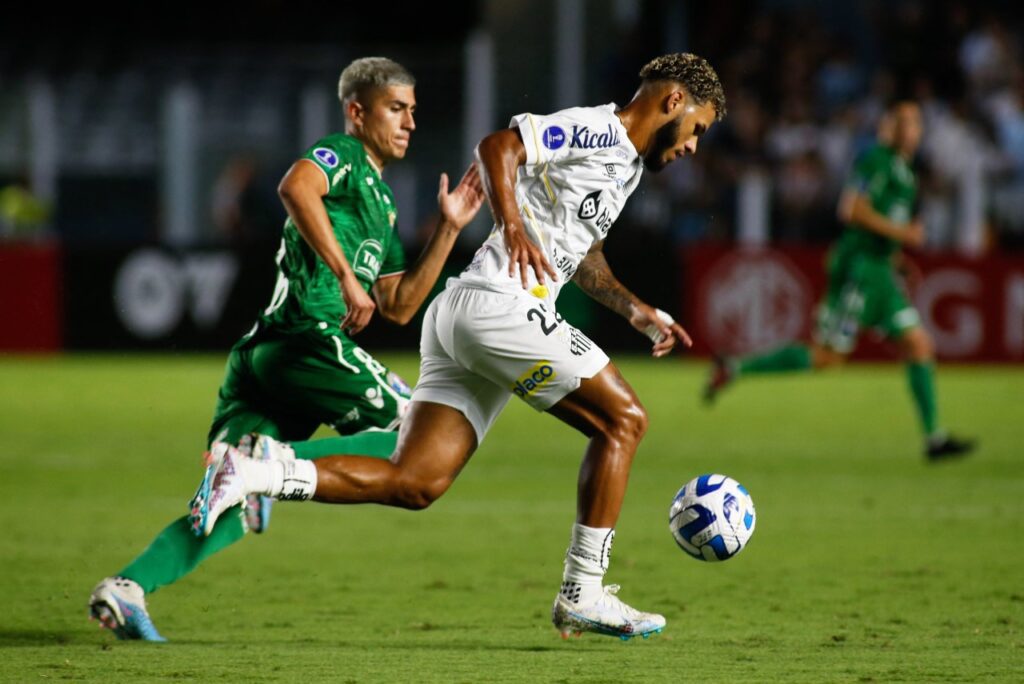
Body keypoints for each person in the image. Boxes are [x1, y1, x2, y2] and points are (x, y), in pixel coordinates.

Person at [193, 53, 726, 640]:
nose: (694, 147)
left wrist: (634, 309)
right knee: (623, 420)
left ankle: (255, 471)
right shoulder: (599, 128)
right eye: (698, 129)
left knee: (416, 480)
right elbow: (498, 146)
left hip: (464, 315)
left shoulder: (623, 165)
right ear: (673, 101)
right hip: (499, 307)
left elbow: (584, 254)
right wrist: (513, 226)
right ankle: (584, 590)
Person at [88, 57, 485, 641]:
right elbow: (295, 186)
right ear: (357, 111)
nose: (410, 124)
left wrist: (448, 230)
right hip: (306, 339)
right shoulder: (344, 157)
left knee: (230, 505)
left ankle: (127, 587)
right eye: (397, 109)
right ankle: (270, 465)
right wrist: (346, 277)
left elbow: (399, 305)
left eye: (414, 112)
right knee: (416, 435)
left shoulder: (383, 202)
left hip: (263, 356)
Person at [704, 101, 975, 461]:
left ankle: (934, 439)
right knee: (827, 356)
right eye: (904, 123)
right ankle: (735, 367)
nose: (912, 131)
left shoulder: (905, 172)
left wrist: (896, 256)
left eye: (916, 124)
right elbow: (851, 209)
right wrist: (904, 234)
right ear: (888, 128)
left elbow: (881, 220)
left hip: (881, 271)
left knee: (919, 345)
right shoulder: (874, 161)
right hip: (859, 272)